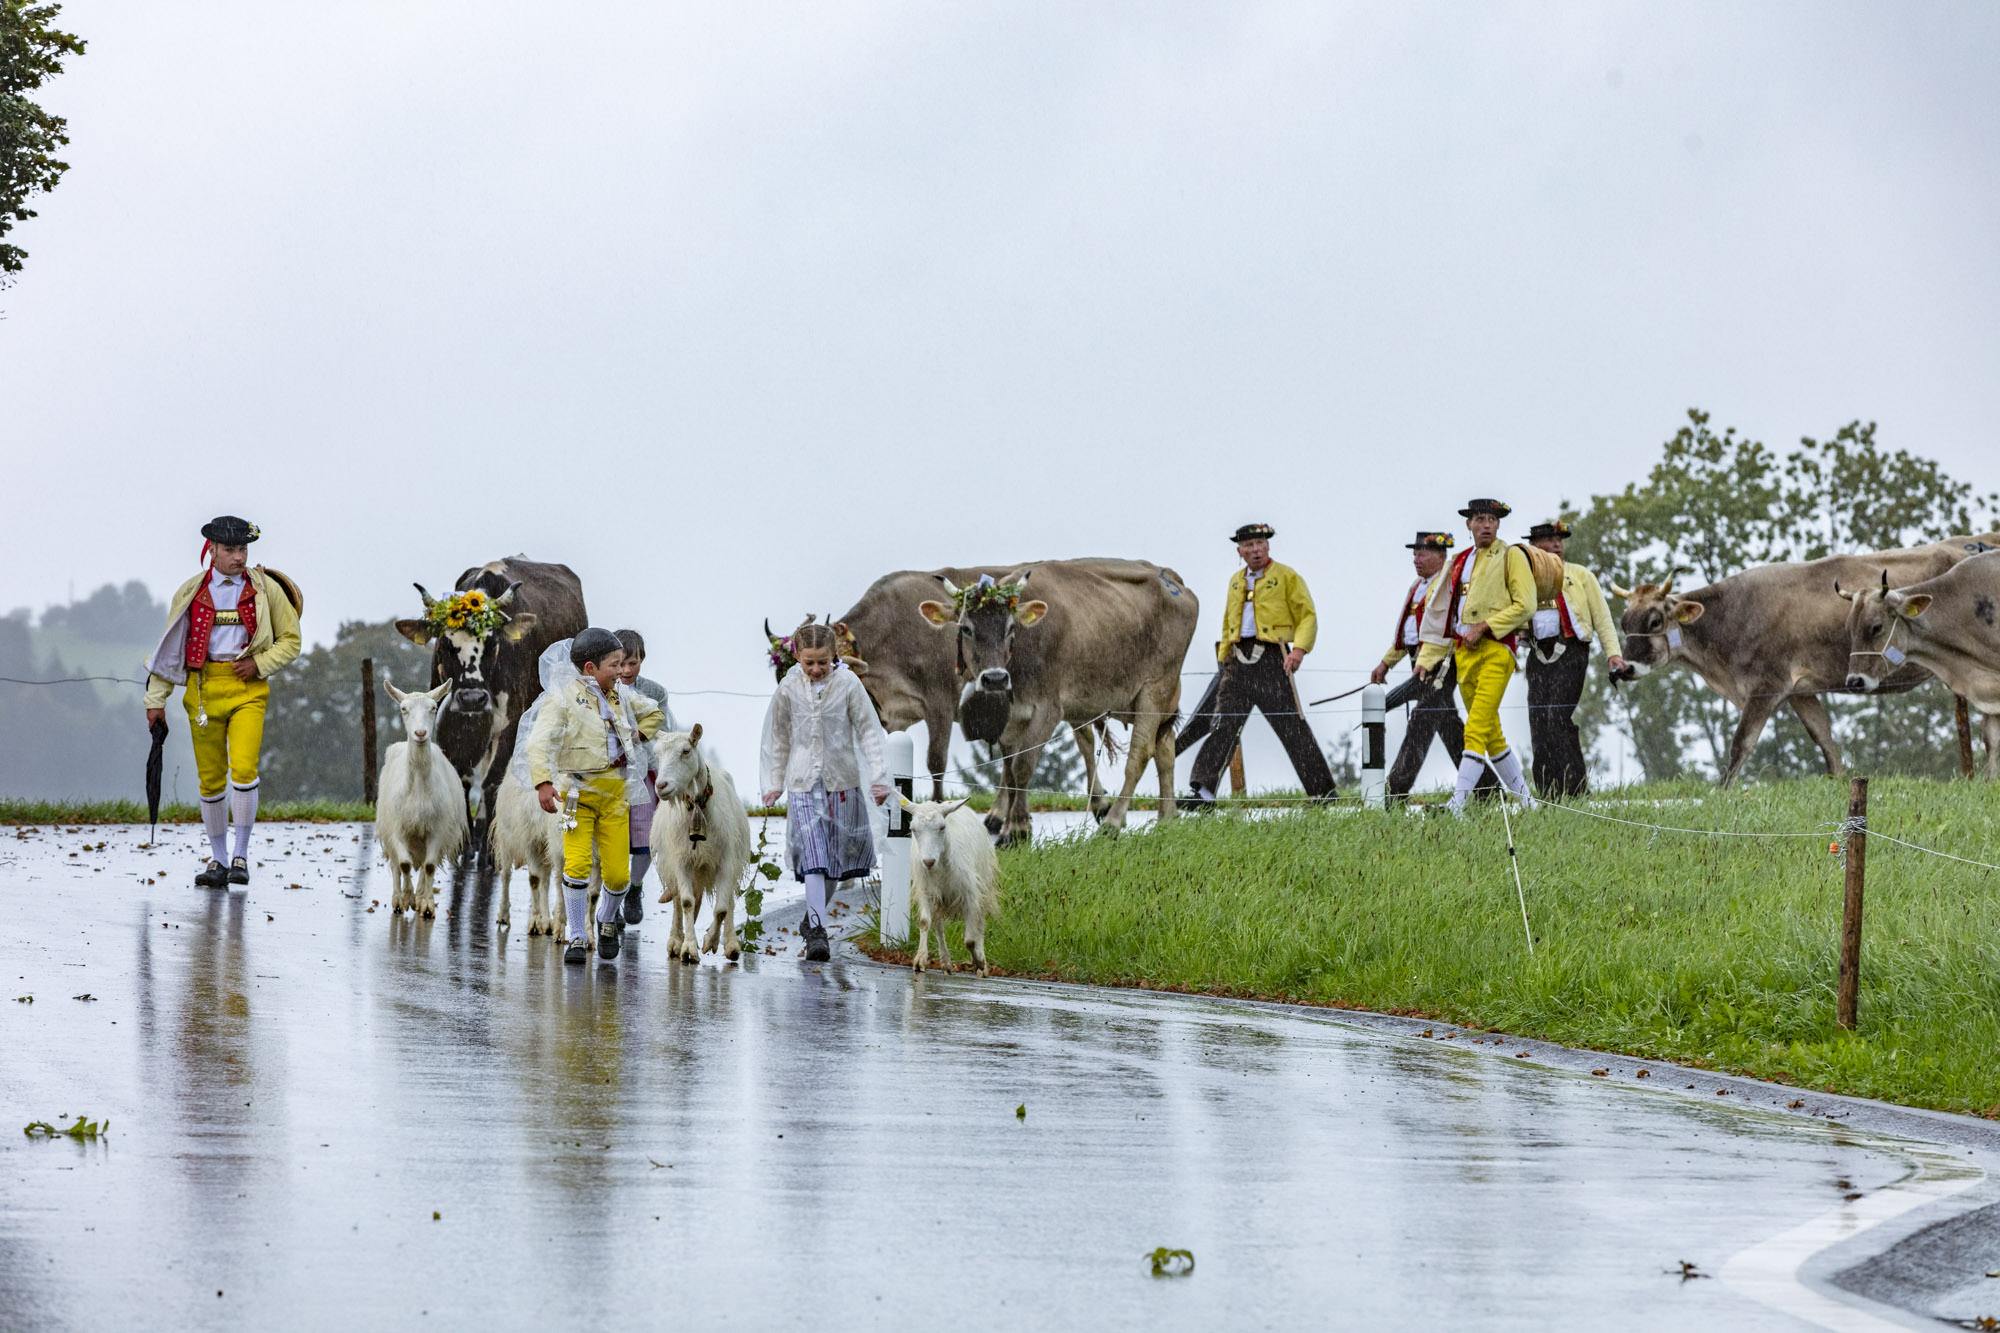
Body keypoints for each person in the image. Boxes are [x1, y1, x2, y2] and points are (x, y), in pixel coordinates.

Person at [142, 516, 302, 889]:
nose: (239, 557)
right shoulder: (189, 592)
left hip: (249, 690)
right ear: (212, 550)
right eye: (230, 549)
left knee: (244, 770)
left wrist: (259, 664)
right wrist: (156, 700)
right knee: (211, 779)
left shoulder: (266, 590)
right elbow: (170, 649)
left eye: (242, 549)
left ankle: (240, 857)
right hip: (201, 691)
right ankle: (219, 859)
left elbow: (291, 640)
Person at [526, 627, 669, 965]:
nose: (622, 672)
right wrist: (543, 782)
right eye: (614, 665)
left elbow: (655, 713)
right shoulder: (563, 699)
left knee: (618, 874)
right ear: (590, 668)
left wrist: (637, 734)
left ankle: (606, 918)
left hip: (615, 798)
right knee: (576, 864)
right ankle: (577, 934)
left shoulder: (622, 697)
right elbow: (538, 742)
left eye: (624, 664)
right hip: (576, 796)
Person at [760, 622, 891, 963]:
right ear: (797, 657)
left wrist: (879, 777)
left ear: (834, 655)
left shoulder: (848, 684)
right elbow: (779, 738)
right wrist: (773, 783)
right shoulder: (788, 689)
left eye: (823, 662)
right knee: (815, 858)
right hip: (803, 783)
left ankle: (811, 918)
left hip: (842, 783)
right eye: (809, 663)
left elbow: (869, 732)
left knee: (833, 863)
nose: (817, 669)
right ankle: (818, 931)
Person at [1184, 523, 1337, 810]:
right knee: (1223, 723)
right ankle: (1203, 792)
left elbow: (1307, 616)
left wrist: (1299, 650)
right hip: (1237, 663)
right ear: (1239, 551)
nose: (1255, 550)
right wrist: (1224, 658)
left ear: (1267, 546)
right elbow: (1228, 621)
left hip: (1272, 658)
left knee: (1291, 725)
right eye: (1249, 545)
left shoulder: (1287, 576)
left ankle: (1323, 792)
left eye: (1260, 544)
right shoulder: (1235, 581)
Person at [1415, 499, 1539, 812]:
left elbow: (1526, 605)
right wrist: (1427, 658)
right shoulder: (1459, 560)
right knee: (1492, 735)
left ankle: (1457, 805)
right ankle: (1529, 804)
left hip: (1497, 650)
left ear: (1498, 524)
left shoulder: (1512, 555)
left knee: (1475, 728)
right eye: (1480, 519)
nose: (1486, 525)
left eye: (1492, 520)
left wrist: (1484, 627)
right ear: (1468, 524)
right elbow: (1443, 613)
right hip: (1463, 653)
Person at [1370, 531, 1493, 799]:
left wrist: (1427, 660)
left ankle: (1395, 790)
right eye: (1415, 554)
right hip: (1420, 661)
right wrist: (1386, 663)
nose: (1416, 559)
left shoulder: (1448, 584)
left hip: (1442, 661)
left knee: (1422, 720)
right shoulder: (1417, 586)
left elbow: (1441, 629)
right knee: (1449, 727)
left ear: (1440, 556)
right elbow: (1407, 633)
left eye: (1422, 553)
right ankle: (1488, 788)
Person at [1523, 521, 1627, 799]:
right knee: (1538, 721)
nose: (1556, 544)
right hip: (1537, 654)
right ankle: (1547, 791)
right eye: (1549, 539)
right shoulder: (1524, 578)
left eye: (1559, 539)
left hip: (1571, 652)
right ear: (1534, 546)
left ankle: (1576, 788)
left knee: (1558, 717)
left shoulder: (1580, 575)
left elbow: (1602, 618)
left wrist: (1613, 653)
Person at [612, 628, 678, 926]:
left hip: (644, 771)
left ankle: (635, 888)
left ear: (642, 660)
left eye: (633, 663)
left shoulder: (655, 692)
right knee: (610, 837)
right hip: (608, 773)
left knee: (645, 836)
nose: (626, 671)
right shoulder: (597, 689)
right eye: (620, 664)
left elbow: (662, 731)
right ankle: (611, 898)